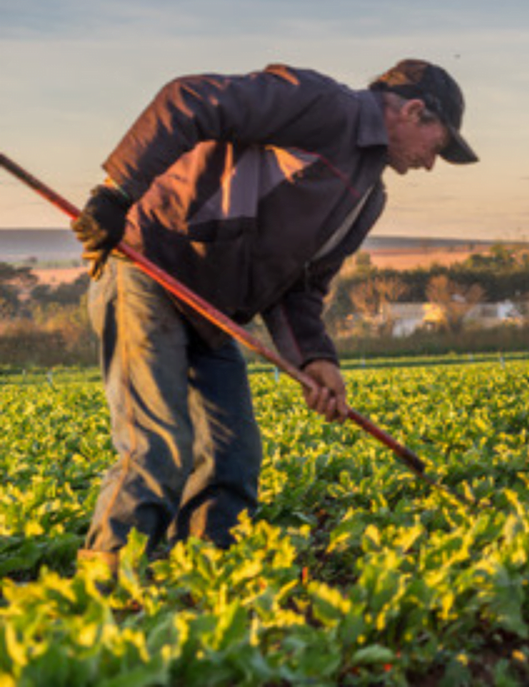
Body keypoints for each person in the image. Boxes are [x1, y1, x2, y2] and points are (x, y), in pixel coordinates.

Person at [69, 59, 477, 568]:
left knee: (232, 457)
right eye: (437, 147)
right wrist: (117, 193)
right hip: (151, 269)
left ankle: (203, 578)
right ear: (415, 110)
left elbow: (302, 287)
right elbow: (189, 99)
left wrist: (314, 360)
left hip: (212, 314)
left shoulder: (368, 197)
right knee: (160, 447)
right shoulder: (323, 104)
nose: (430, 164)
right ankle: (104, 584)